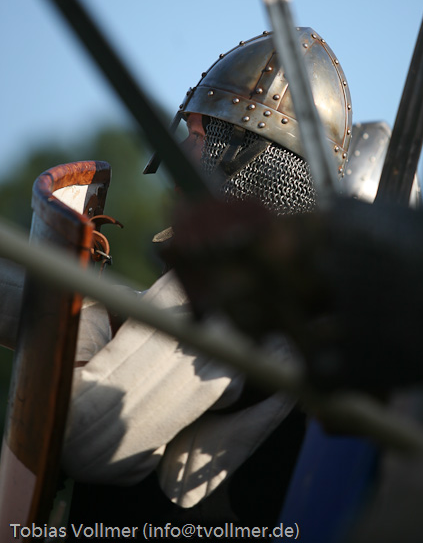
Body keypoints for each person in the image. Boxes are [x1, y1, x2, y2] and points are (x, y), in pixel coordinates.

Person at [61, 26, 352, 529]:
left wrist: (80, 313)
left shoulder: (239, 297)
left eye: (198, 138)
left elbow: (82, 439)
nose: (180, 158)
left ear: (251, 159)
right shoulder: (285, 297)